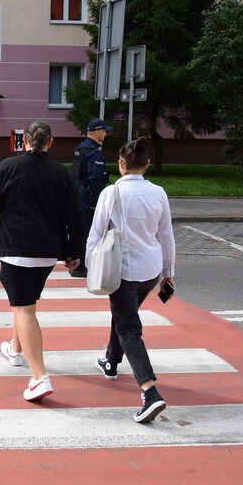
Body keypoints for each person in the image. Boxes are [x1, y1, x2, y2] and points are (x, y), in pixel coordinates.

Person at [0, 120, 86, 401]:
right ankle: (15, 349)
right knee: (24, 304)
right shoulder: (60, 173)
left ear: (26, 141)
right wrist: (73, 252)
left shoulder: (10, 166)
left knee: (24, 311)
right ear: (50, 142)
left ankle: (39, 378)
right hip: (47, 253)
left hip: (15, 250)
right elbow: (75, 215)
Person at [87, 137, 175, 423]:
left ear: (121, 164)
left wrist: (90, 266)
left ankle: (150, 392)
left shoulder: (110, 193)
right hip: (149, 271)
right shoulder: (159, 193)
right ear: (146, 164)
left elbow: (96, 233)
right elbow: (166, 236)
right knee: (124, 314)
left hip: (121, 270)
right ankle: (111, 362)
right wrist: (168, 273)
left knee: (128, 327)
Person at [70, 118, 111, 277]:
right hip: (89, 198)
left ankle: (76, 264)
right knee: (89, 232)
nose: (106, 134)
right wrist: (101, 200)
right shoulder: (93, 152)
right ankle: (82, 267)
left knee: (80, 231)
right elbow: (95, 179)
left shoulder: (79, 148)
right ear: (97, 132)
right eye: (105, 131)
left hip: (78, 195)